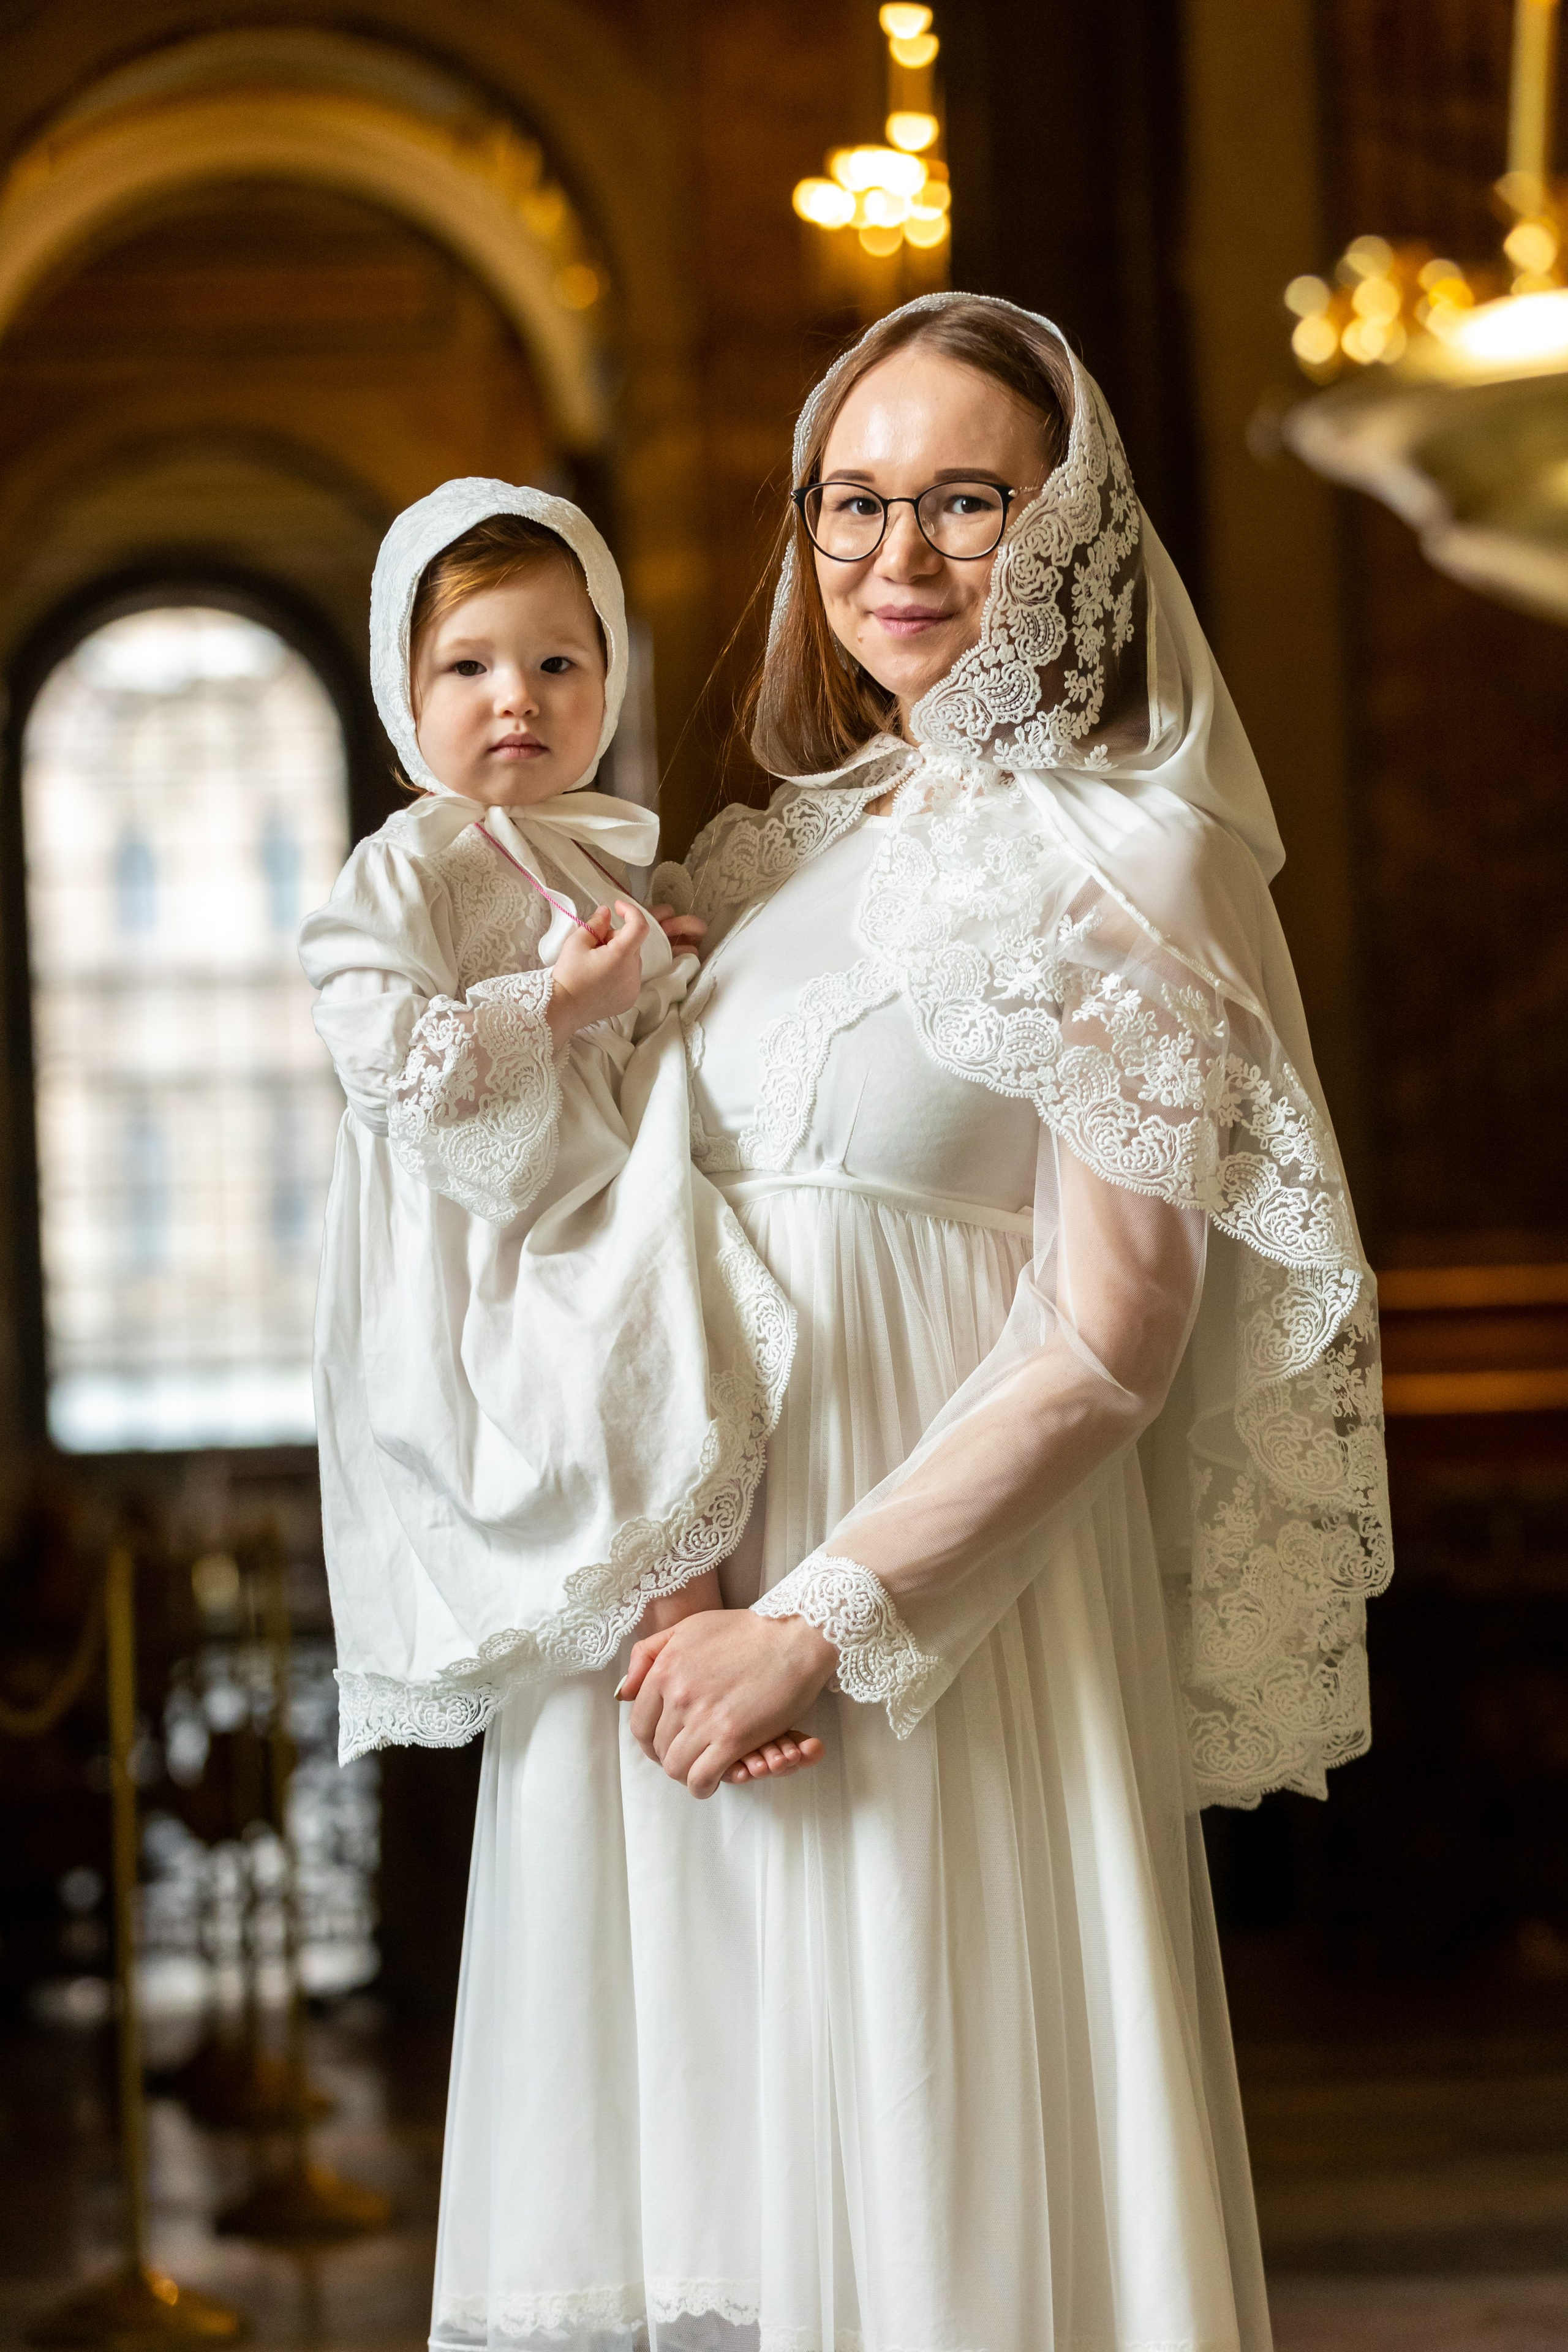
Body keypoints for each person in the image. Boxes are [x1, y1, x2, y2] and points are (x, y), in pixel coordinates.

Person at [432, 304, 1392, 2352]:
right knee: (719, 2231)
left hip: (925, 1666)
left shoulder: (1133, 866)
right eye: (856, 501)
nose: (901, 553)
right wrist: (667, 1590)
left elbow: (1111, 1333)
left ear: (1072, 529)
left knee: (932, 2212)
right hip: (671, 1664)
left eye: (967, 498)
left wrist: (817, 1620)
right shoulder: (767, 863)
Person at [300, 480, 804, 1775]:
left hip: (575, 1182)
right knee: (616, 1356)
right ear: (401, 697)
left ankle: (685, 1634)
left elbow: (614, 1000)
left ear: (608, 682)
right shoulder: (409, 864)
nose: (514, 694)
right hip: (485, 1225)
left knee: (674, 1325)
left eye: (555, 662)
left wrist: (651, 966)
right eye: (466, 665)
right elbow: (382, 1056)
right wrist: (561, 999)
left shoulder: (582, 854)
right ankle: (680, 1649)